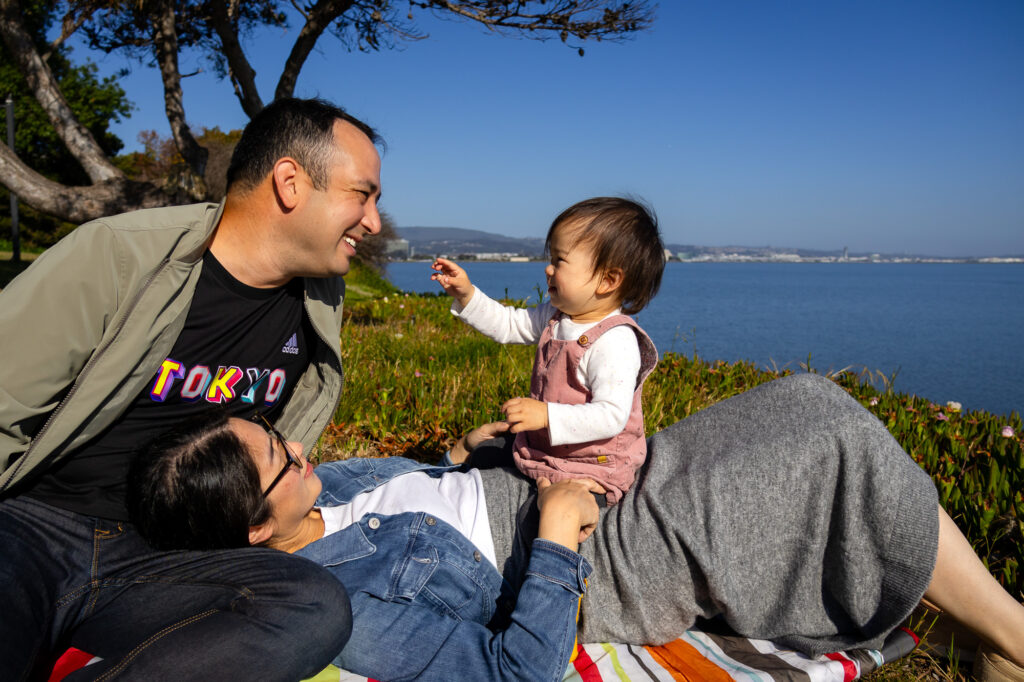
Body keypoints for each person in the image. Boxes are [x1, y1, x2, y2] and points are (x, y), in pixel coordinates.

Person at [127, 374, 1024, 682]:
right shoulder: (328, 597)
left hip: (556, 484)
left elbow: (423, 495)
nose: (300, 449)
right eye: (280, 460)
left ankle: (995, 636)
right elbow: (513, 670)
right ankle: (1011, 637)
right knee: (826, 439)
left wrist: (468, 452)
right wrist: (556, 539)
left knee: (804, 405)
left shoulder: (332, 488)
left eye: (278, 434)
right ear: (250, 533)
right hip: (588, 556)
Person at [0, 97, 383, 679]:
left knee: (314, 604)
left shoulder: (318, 298)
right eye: (363, 194)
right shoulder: (121, 257)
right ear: (290, 183)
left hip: (170, 554)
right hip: (35, 528)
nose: (374, 222)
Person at [430, 197, 664, 504]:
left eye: (560, 260)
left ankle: (553, 549)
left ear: (608, 280)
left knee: (560, 509)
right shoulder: (556, 318)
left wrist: (546, 415)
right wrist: (467, 295)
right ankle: (439, 483)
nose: (548, 269)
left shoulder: (615, 341)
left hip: (593, 465)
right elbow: (508, 324)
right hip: (546, 449)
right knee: (485, 455)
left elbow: (611, 416)